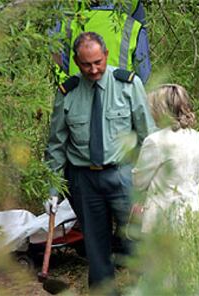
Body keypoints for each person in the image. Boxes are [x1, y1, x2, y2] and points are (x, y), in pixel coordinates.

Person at [45, 32, 156, 291]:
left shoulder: (128, 85)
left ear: (106, 55)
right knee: (96, 247)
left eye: (98, 62)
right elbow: (57, 145)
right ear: (76, 61)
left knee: (136, 241)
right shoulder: (68, 93)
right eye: (86, 64)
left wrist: (148, 183)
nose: (93, 69)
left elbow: (148, 138)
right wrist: (52, 190)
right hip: (84, 180)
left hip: (124, 175)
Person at [132, 84, 199, 233]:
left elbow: (139, 182)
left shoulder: (155, 141)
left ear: (160, 110)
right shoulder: (198, 138)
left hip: (161, 221)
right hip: (192, 217)